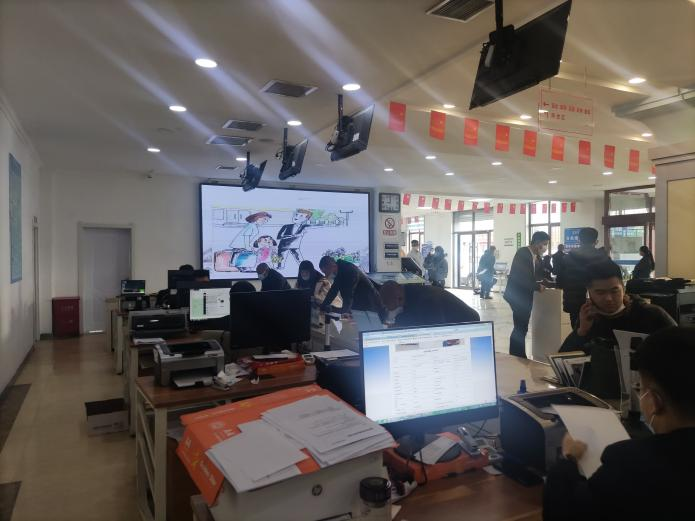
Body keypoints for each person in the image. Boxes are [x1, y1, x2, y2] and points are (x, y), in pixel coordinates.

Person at [544, 326, 695, 521]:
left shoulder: (630, 465)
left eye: (640, 388)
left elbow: (563, 512)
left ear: (654, 401)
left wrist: (568, 459)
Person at [559, 259, 675, 353]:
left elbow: (682, 351)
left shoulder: (651, 314)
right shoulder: (589, 317)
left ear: (623, 288)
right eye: (600, 292)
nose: (608, 298)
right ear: (589, 292)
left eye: (614, 291)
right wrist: (581, 331)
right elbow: (562, 360)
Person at [504, 231, 550, 358]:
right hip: (518, 296)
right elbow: (521, 277)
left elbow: (536, 274)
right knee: (520, 327)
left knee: (521, 327)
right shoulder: (523, 253)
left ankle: (517, 354)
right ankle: (517, 355)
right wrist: (537, 286)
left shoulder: (535, 255)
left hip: (523, 295)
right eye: (545, 244)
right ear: (537, 243)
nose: (545, 247)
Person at [379, 281, 479, 327]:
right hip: (453, 319)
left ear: (398, 299)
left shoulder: (425, 301)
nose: (386, 308)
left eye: (386, 304)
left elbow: (434, 330)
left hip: (468, 324)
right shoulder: (410, 291)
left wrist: (399, 324)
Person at [561, 228, 607, 329]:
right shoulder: (602, 257)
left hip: (573, 301)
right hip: (597, 301)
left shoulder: (568, 257)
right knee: (597, 329)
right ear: (596, 241)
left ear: (579, 240)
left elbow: (562, 280)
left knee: (576, 328)